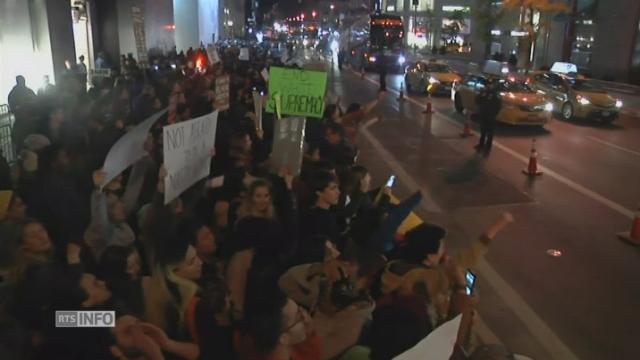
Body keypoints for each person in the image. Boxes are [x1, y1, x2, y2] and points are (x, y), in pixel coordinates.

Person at [381, 213, 514, 327]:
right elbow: (469, 257)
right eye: (441, 248)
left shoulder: (395, 263)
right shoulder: (428, 278)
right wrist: (460, 285)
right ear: (430, 256)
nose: (444, 252)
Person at [475, 80, 502, 154]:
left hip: (491, 116)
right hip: (483, 114)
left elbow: (499, 106)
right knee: (483, 131)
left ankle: (488, 147)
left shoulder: (495, 95)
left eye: (490, 85)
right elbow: (477, 101)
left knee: (490, 133)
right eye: (487, 85)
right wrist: (481, 94)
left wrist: (494, 114)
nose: (488, 86)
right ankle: (481, 145)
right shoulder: (484, 93)